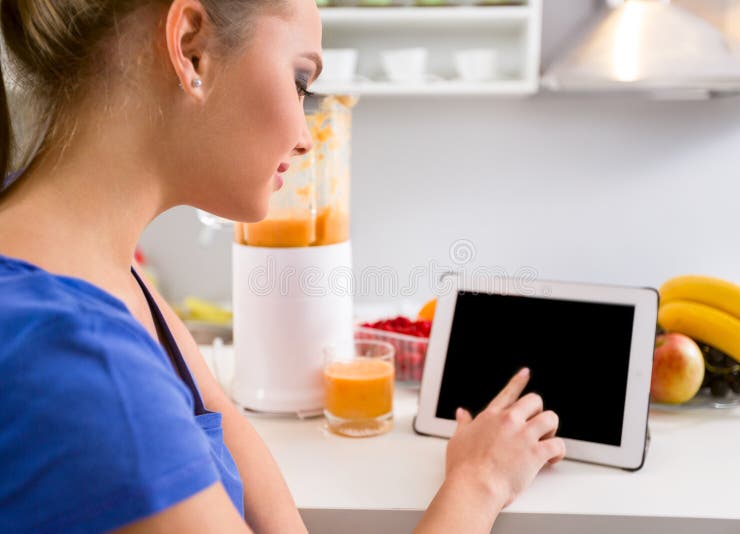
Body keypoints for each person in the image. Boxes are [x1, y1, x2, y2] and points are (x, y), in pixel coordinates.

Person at [0, 0, 566, 532]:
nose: (304, 138)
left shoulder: (101, 269)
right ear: (191, 48)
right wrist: (479, 482)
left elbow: (218, 415)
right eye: (299, 82)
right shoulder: (81, 361)